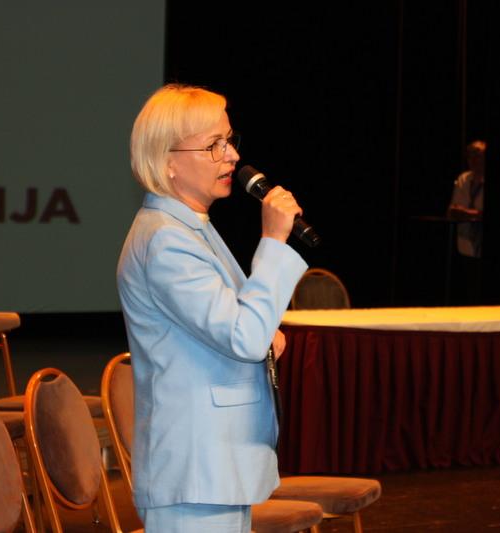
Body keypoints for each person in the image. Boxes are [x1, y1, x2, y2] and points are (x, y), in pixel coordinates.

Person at [116, 84, 308, 532]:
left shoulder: (190, 228)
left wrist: (262, 335)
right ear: (167, 161)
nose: (232, 156)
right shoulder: (166, 240)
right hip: (195, 469)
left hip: (214, 469)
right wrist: (272, 241)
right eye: (213, 145)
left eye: (229, 140)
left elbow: (232, 328)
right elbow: (243, 337)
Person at [447, 140, 485, 303]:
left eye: (478, 156)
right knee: (468, 289)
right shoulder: (463, 179)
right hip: (465, 243)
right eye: (470, 156)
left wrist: (466, 212)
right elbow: (452, 210)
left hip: (482, 242)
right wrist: (471, 213)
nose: (473, 160)